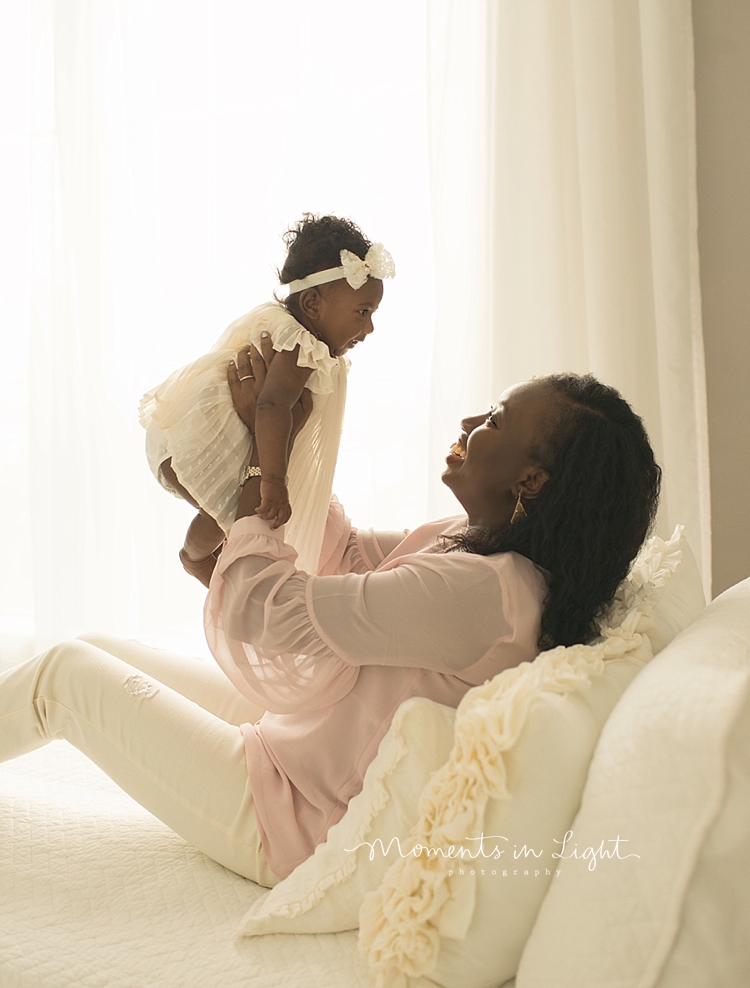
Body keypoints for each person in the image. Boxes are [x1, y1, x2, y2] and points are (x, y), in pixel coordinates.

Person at [0, 348, 660, 887]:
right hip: (306, 744)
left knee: (63, 676)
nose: (467, 421)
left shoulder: (485, 593)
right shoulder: (476, 546)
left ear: (532, 482)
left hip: (297, 821)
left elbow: (275, 612)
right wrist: (292, 433)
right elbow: (341, 555)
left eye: (494, 420)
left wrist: (264, 453)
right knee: (91, 644)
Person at [139, 214, 395, 574]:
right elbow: (272, 405)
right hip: (196, 444)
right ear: (312, 305)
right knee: (241, 516)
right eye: (362, 312)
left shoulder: (286, 327)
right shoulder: (300, 345)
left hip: (180, 435)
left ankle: (197, 559)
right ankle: (197, 560)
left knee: (229, 515)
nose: (368, 328)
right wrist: (274, 482)